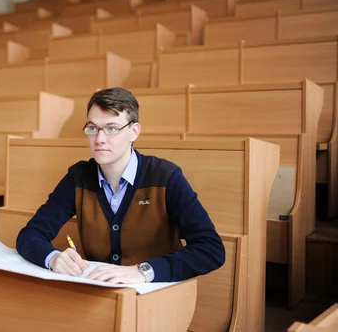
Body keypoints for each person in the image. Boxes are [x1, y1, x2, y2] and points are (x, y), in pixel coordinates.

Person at [16, 87, 225, 283]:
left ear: (134, 132)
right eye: (92, 128)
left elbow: (210, 249)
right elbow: (30, 235)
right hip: (99, 292)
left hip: (155, 294)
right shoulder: (77, 177)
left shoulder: (166, 177)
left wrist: (142, 271)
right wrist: (52, 258)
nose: (99, 139)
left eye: (112, 128)